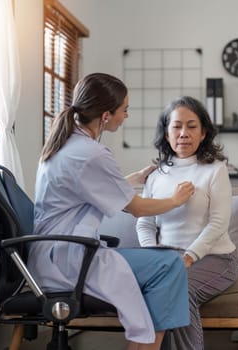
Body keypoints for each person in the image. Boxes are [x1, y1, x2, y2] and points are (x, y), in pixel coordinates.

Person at [27, 73, 195, 350]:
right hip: (68, 259)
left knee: (164, 266)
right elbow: (137, 208)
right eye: (125, 109)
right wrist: (176, 200)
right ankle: (144, 346)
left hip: (51, 255)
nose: (126, 115)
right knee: (170, 264)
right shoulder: (91, 154)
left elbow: (93, 188)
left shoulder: (66, 146)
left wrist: (138, 176)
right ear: (106, 115)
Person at [136, 96, 238, 350]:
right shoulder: (157, 174)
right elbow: (145, 223)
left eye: (191, 126)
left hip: (215, 259)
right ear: (167, 132)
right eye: (177, 126)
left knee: (180, 289)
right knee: (161, 288)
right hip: (167, 259)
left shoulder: (215, 169)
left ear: (203, 133)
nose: (183, 133)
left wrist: (189, 257)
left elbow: (218, 222)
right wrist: (153, 257)